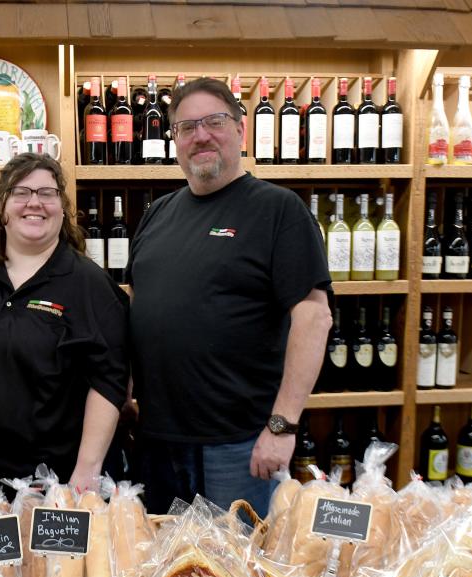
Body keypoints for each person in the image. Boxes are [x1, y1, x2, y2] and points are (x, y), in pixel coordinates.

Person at [128, 77, 332, 517]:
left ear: (240, 129)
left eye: (214, 122)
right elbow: (136, 312)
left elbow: (314, 318)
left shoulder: (279, 210)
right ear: (175, 140)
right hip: (159, 442)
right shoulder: (157, 214)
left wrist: (282, 426)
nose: (201, 135)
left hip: (239, 445)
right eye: (187, 127)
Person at [0, 153, 129, 521]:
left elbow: (110, 381)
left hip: (56, 490)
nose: (35, 202)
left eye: (47, 193)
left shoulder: (90, 286)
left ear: (63, 210)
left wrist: (87, 471)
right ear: (2, 207)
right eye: (22, 192)